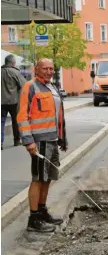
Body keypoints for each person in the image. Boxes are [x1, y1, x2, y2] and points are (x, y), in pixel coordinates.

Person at [17, 58, 68, 233]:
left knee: (47, 178)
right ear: (36, 69)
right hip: (39, 141)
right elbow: (22, 116)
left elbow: (58, 115)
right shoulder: (30, 87)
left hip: (52, 140)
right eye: (45, 68)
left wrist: (62, 138)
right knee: (38, 178)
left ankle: (42, 211)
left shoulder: (51, 87)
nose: (48, 71)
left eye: (51, 68)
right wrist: (28, 140)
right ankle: (34, 218)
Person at [1, 54, 26, 150]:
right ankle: (16, 140)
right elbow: (24, 85)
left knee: (1, 121)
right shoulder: (16, 72)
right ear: (13, 63)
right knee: (16, 121)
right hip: (14, 101)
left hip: (1, 102)